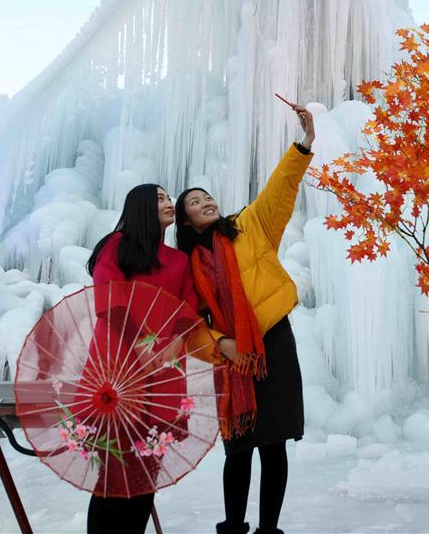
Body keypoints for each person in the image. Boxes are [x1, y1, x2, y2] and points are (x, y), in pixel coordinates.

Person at [177, 104, 315, 534]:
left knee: (274, 445)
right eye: (196, 202)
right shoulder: (189, 266)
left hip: (273, 344)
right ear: (185, 220)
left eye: (207, 196)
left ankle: (268, 530)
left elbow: (280, 189)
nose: (206, 202)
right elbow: (189, 322)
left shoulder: (250, 226)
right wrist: (221, 343)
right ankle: (233, 527)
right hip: (230, 358)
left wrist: (303, 144)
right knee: (237, 448)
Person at [85, 183, 219, 534]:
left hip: (163, 374)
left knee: (147, 471)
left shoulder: (178, 260)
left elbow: (188, 308)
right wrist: (139, 342)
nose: (168, 203)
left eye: (168, 197)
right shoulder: (115, 247)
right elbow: (107, 301)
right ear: (140, 206)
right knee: (113, 472)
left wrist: (173, 343)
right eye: (158, 198)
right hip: (118, 370)